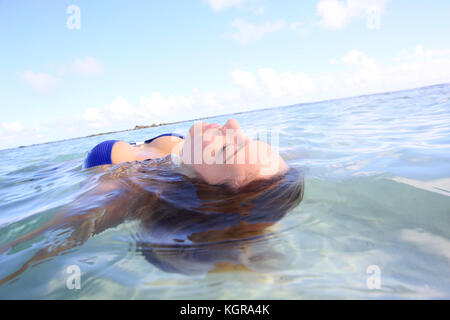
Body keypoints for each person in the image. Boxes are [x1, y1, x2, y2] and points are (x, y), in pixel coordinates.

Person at [0, 118, 304, 284]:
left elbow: (33, 245)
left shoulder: (126, 188)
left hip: (44, 176)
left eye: (227, 149)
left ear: (196, 186)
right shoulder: (193, 157)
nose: (233, 125)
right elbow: (253, 193)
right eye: (246, 139)